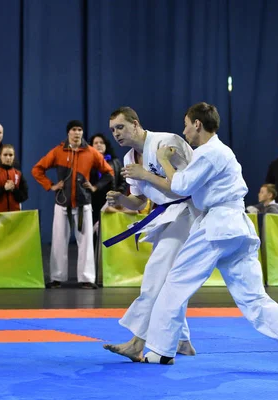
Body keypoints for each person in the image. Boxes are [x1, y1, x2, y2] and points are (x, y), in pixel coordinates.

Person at [137, 102, 278, 371]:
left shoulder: (208, 152)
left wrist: (161, 161)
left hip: (216, 226)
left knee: (175, 283)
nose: (183, 131)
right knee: (253, 297)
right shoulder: (221, 152)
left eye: (186, 124)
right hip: (238, 227)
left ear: (197, 124)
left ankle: (160, 351)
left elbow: (180, 185)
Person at [101, 106, 197, 361]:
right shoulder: (131, 159)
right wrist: (122, 199)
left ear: (135, 124)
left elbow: (187, 187)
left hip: (190, 211)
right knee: (169, 279)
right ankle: (182, 341)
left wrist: (146, 175)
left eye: (120, 127)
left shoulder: (167, 143)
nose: (116, 134)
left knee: (156, 273)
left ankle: (137, 342)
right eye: (112, 130)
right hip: (167, 214)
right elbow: (139, 202)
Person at [32, 120, 113, 289]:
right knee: (59, 241)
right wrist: (51, 185)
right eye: (74, 130)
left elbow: (109, 172)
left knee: (86, 242)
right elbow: (37, 169)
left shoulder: (91, 152)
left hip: (84, 205)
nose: (77, 133)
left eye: (80, 130)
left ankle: (87, 278)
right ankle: (56, 277)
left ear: (82, 133)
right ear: (68, 133)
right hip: (62, 204)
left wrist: (95, 187)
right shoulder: (58, 151)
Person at [88, 133, 127, 225]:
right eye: (96, 143)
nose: (99, 145)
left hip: (110, 200)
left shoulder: (115, 162)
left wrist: (118, 193)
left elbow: (123, 181)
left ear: (106, 145)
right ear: (91, 146)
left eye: (101, 142)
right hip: (92, 201)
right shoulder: (87, 162)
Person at [0, 144, 29, 212]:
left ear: (14, 157)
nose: (8, 158)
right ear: (0, 156)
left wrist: (14, 190)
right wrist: (3, 189)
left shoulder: (18, 174)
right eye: (5, 155)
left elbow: (24, 196)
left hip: (15, 214)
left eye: (10, 155)